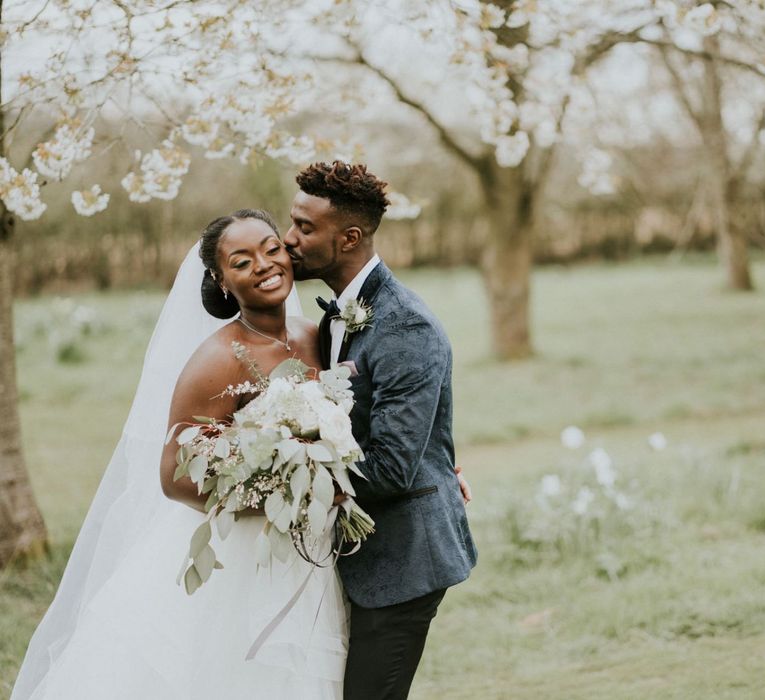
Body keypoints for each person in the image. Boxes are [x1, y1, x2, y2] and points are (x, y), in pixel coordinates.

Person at [11, 209, 348, 700]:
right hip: (237, 554)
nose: (264, 265)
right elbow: (173, 476)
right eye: (242, 260)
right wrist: (277, 498)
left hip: (305, 550)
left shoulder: (313, 334)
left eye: (271, 249)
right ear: (222, 281)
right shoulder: (218, 358)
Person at [284, 162, 478, 700]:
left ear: (348, 238)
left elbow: (390, 469)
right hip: (355, 553)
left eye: (304, 227)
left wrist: (279, 473)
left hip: (402, 562)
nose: (289, 239)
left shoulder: (404, 324)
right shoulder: (339, 317)